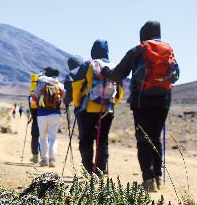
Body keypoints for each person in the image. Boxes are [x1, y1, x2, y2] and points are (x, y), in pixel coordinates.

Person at [103, 21, 179, 191]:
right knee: (156, 138)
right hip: (164, 101)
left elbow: (118, 74)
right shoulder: (169, 51)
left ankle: (149, 179)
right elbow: (176, 75)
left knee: (143, 139)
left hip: (141, 101)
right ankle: (159, 178)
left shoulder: (138, 50)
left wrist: (108, 74)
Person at [71, 40, 123, 176]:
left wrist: (77, 104)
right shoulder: (115, 67)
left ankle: (88, 169)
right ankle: (100, 171)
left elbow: (76, 87)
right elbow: (120, 90)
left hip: (88, 109)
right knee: (102, 140)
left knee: (86, 139)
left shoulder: (88, 65)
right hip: (107, 110)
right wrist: (111, 105)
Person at [30, 67, 65, 167]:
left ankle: (44, 160)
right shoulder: (60, 86)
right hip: (55, 114)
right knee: (53, 138)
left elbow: (33, 100)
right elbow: (65, 99)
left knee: (43, 138)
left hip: (41, 114)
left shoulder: (41, 84)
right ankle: (52, 160)